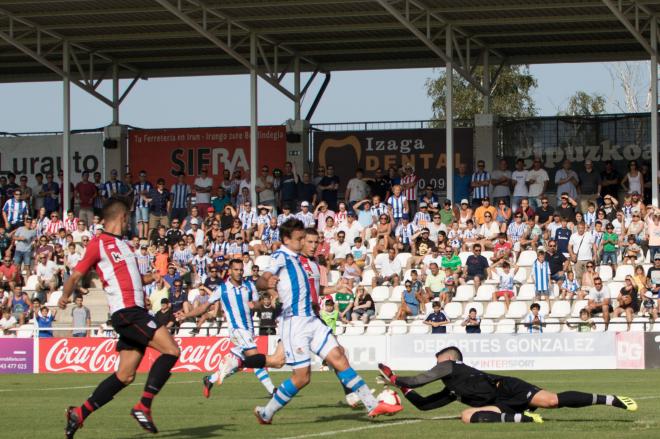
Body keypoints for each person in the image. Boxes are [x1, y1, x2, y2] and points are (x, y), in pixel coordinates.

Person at [254, 219, 401, 424]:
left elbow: (314, 290)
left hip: (313, 320)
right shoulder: (281, 256)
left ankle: (372, 404)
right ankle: (266, 412)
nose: (305, 242)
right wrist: (265, 282)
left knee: (339, 356)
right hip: (295, 323)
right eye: (300, 239)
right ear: (287, 240)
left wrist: (335, 288)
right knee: (302, 377)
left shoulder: (303, 261)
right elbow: (262, 279)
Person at [61, 197, 181, 438]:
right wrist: (64, 296)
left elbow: (132, 277)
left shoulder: (125, 246)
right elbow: (75, 275)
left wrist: (149, 279)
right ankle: (143, 406)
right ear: (122, 217)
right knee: (171, 351)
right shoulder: (98, 243)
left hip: (135, 310)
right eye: (128, 218)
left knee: (125, 375)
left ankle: (79, 414)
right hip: (126, 313)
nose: (130, 223)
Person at [378, 347, 636, 424]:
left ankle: (610, 400)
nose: (435, 367)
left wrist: (395, 379)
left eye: (437, 362)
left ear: (447, 359)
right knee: (466, 416)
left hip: (507, 387)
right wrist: (401, 388)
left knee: (553, 401)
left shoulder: (451, 366)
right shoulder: (453, 389)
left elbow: (420, 379)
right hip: (499, 404)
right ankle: (521, 418)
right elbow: (424, 405)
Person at [175, 258, 284, 397]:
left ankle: (211, 379)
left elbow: (258, 304)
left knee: (247, 361)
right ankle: (273, 391)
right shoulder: (222, 289)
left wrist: (254, 305)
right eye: (236, 270)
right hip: (237, 329)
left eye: (241, 270)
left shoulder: (249, 285)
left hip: (249, 329)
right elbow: (204, 306)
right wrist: (187, 315)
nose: (239, 272)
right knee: (255, 357)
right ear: (230, 271)